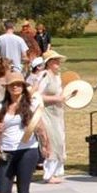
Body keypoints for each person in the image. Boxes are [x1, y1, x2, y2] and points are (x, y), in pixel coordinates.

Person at [35, 49, 69, 183]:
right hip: (46, 113)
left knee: (60, 139)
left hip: (57, 113)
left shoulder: (57, 76)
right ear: (49, 63)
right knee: (51, 140)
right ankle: (48, 174)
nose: (58, 63)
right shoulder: (44, 75)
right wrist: (55, 98)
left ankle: (56, 171)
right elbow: (37, 95)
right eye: (55, 61)